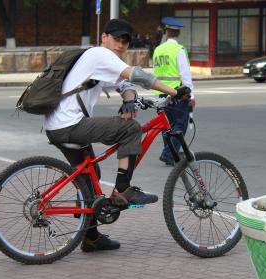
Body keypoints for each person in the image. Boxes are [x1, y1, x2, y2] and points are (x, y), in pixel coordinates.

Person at [44, 18, 187, 252]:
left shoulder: (98, 60)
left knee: (91, 175)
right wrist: (174, 91)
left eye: (125, 41)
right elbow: (136, 75)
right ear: (104, 37)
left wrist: (129, 101)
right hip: (69, 125)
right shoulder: (100, 55)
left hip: (58, 124)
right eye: (116, 39)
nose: (120, 45)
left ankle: (90, 237)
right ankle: (123, 189)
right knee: (130, 129)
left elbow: (122, 85)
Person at [153, 17, 196, 166]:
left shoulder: (158, 50)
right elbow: (185, 75)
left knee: (167, 125)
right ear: (178, 33)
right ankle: (168, 153)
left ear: (165, 32)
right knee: (180, 125)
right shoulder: (179, 50)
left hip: (161, 93)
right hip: (177, 93)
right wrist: (191, 95)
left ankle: (170, 153)